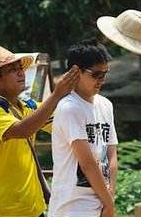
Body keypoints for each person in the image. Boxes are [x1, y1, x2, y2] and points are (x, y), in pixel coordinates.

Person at [0, 45, 80, 217]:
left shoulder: (27, 107)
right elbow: (21, 129)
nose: (21, 73)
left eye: (20, 68)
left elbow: (63, 121)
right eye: (12, 70)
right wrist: (56, 95)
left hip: (32, 206)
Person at [48, 40, 118, 217]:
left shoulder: (106, 105)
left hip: (101, 200)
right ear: (75, 72)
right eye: (96, 75)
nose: (101, 80)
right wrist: (109, 204)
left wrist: (110, 197)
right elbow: (86, 163)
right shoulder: (69, 108)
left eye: (105, 74)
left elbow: (111, 154)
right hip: (73, 206)